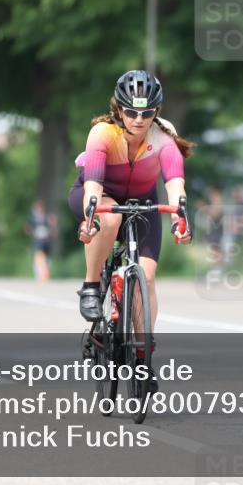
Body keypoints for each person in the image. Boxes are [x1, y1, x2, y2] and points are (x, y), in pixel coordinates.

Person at [68, 70, 194, 390]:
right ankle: (92, 285)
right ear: (119, 109)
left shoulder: (164, 136)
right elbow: (93, 183)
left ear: (157, 112)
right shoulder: (102, 134)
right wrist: (92, 215)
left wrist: (180, 215)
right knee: (110, 220)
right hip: (100, 194)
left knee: (146, 278)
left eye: (147, 113)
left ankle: (141, 360)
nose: (139, 119)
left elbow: (175, 181)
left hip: (143, 201)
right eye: (131, 112)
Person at [25, 200, 57, 282]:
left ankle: (46, 273)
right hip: (38, 240)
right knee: (39, 255)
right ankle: (39, 274)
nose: (38, 209)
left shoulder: (47, 217)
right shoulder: (33, 219)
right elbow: (27, 228)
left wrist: (53, 225)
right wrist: (33, 232)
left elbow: (52, 227)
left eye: (40, 208)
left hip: (46, 240)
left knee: (46, 257)